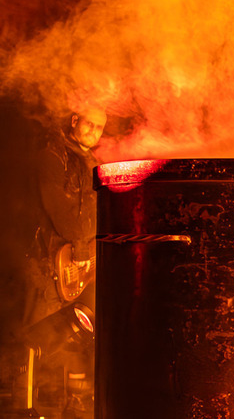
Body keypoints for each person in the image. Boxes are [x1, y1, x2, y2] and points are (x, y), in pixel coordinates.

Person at [23, 107, 106, 419]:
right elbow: (54, 203)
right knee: (40, 331)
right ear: (74, 121)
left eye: (99, 127)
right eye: (89, 124)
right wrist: (80, 244)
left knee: (79, 331)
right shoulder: (53, 154)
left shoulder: (92, 161)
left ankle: (75, 401)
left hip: (83, 261)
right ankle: (28, 402)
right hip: (51, 258)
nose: (93, 131)